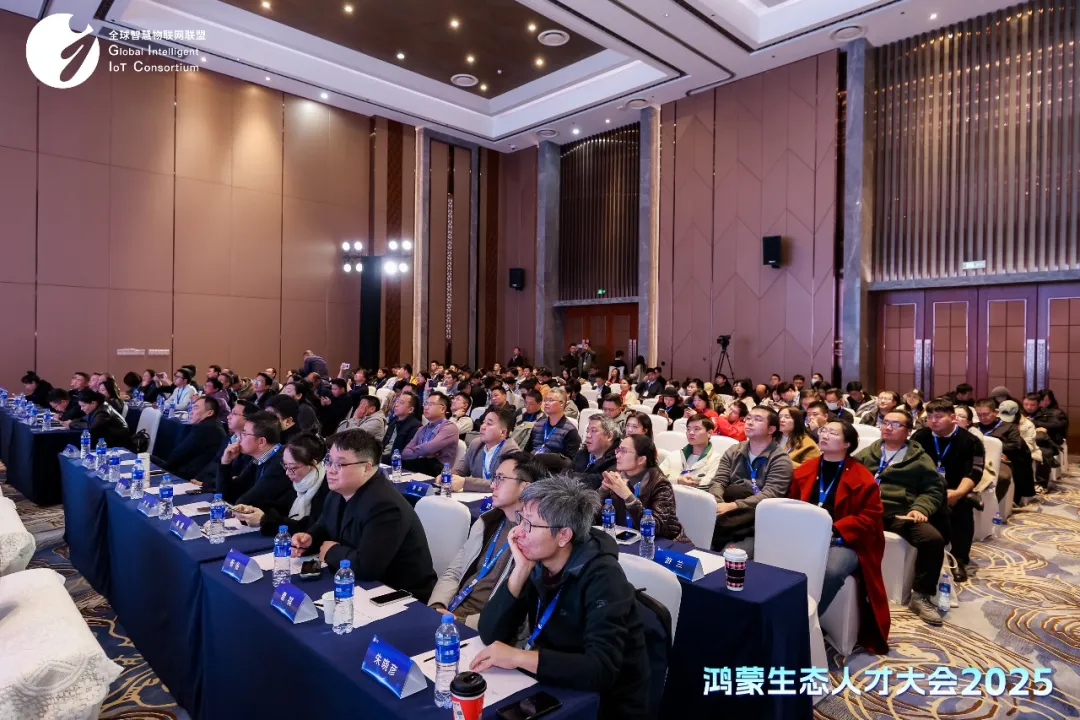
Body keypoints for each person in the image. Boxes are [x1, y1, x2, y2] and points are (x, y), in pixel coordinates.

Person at [474, 473, 650, 720]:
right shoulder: (537, 563)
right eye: (521, 519)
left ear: (564, 536)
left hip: (603, 703)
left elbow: (601, 669)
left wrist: (518, 657)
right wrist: (520, 570)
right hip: (552, 682)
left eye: (530, 525)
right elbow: (489, 633)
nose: (518, 532)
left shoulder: (604, 577)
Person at [291, 429, 437, 600]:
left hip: (399, 594)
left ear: (366, 468)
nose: (330, 470)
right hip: (359, 583)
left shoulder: (384, 505)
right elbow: (324, 526)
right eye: (329, 461)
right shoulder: (338, 492)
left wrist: (331, 552)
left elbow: (366, 567)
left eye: (339, 465)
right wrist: (310, 539)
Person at [787, 421, 890, 654]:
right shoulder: (806, 469)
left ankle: (804, 621)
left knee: (832, 570)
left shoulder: (862, 476)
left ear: (847, 444)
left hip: (846, 541)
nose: (824, 435)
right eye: (823, 431)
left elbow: (870, 517)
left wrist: (834, 529)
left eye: (833, 433)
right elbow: (791, 503)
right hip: (806, 533)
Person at [853, 409, 947, 626]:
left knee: (932, 540)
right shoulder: (868, 453)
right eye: (885, 422)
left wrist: (921, 508)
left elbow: (933, 489)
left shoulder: (919, 459)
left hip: (900, 512)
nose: (888, 427)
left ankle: (921, 595)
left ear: (908, 431)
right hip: (868, 511)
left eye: (896, 425)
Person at [430, 452, 535, 625]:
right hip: (451, 613)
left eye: (500, 479)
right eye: (494, 478)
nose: (493, 485)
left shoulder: (533, 539)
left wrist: (465, 622)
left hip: (482, 626)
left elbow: (518, 615)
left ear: (525, 487)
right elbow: (455, 572)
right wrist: (437, 605)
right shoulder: (486, 522)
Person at [912, 400, 984, 583]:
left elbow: (975, 472)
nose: (933, 421)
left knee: (963, 507)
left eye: (938, 417)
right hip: (924, 488)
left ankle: (959, 558)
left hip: (955, 488)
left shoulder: (971, 441)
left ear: (953, 418)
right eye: (929, 417)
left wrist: (958, 493)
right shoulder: (920, 436)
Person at [707, 407, 793, 554]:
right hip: (725, 510)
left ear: (771, 429)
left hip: (756, 517)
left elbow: (771, 494)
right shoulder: (734, 450)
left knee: (727, 555)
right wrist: (717, 503)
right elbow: (719, 481)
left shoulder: (780, 459)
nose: (750, 422)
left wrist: (733, 506)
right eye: (748, 418)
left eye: (758, 419)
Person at [234, 432, 330, 536]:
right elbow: (279, 507)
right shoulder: (298, 484)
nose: (287, 472)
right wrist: (251, 511)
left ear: (313, 463)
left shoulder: (327, 488)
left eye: (292, 468)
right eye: (285, 466)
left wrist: (264, 520)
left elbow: (311, 528)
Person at [599, 435, 685, 541]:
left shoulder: (660, 484)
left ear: (641, 459)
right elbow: (594, 518)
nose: (617, 455)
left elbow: (655, 528)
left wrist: (628, 497)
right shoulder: (618, 478)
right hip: (626, 539)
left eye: (624, 451)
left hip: (663, 543)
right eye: (618, 450)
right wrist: (603, 490)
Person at [216, 411, 293, 515]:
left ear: (261, 442)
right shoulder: (257, 459)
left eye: (244, 434)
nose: (239, 438)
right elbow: (226, 495)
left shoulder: (281, 463)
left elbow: (245, 503)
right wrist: (225, 463)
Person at [974, 398, 1035, 504]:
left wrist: (996, 448)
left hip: (1004, 460)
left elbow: (1016, 445)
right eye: (979, 415)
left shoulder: (1009, 427)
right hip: (978, 460)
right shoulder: (975, 427)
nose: (983, 418)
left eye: (986, 414)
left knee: (1002, 477)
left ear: (995, 412)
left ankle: (992, 504)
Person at [157, 396, 226, 480]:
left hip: (188, 476)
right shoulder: (215, 424)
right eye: (192, 408)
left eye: (196, 408)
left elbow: (179, 454)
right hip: (201, 473)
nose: (191, 412)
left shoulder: (202, 428)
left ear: (209, 413)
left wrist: (166, 467)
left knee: (148, 458)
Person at [452, 407, 521, 492]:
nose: (482, 427)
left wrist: (465, 483)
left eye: (489, 424)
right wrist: (448, 476)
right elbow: (459, 470)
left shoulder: (512, 452)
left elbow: (502, 484)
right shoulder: (476, 444)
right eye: (483, 422)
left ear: (503, 432)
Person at [400, 391, 459, 475]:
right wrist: (424, 453)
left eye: (431, 404)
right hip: (419, 465)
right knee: (397, 460)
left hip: (439, 472)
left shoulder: (449, 428)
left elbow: (429, 448)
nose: (426, 407)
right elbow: (405, 453)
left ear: (442, 409)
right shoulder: (422, 429)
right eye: (426, 404)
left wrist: (417, 451)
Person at [659, 414, 722, 488]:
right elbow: (657, 476)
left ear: (709, 433)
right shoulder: (675, 455)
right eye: (688, 429)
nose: (691, 432)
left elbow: (708, 486)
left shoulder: (716, 460)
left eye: (696, 429)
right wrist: (677, 479)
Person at [525, 387, 581, 458]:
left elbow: (569, 461)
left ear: (562, 403)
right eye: (545, 400)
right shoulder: (538, 425)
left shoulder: (570, 431)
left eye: (550, 400)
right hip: (531, 462)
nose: (546, 403)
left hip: (552, 464)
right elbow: (527, 451)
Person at [571, 414, 620, 490]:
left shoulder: (618, 459)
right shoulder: (582, 453)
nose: (588, 435)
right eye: (587, 431)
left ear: (609, 436)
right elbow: (565, 473)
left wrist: (572, 476)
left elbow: (598, 481)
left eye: (593, 431)